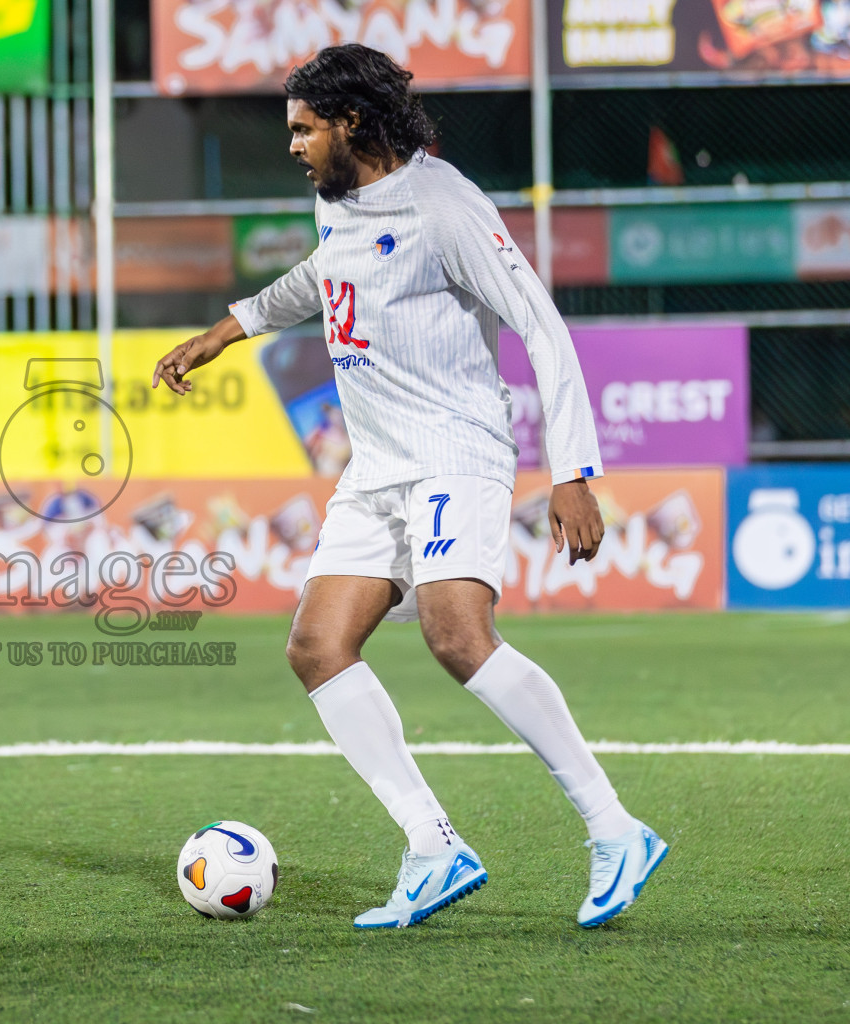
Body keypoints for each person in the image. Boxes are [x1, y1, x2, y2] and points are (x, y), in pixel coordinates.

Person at [151, 45, 666, 930]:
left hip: (452, 452)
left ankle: (614, 828)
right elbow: (324, 278)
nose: (292, 146)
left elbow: (541, 329)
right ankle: (431, 847)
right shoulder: (341, 203)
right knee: (317, 646)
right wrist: (224, 331)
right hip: (375, 464)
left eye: (304, 129)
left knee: (454, 633)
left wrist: (575, 472)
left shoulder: (442, 205)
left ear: (353, 122)